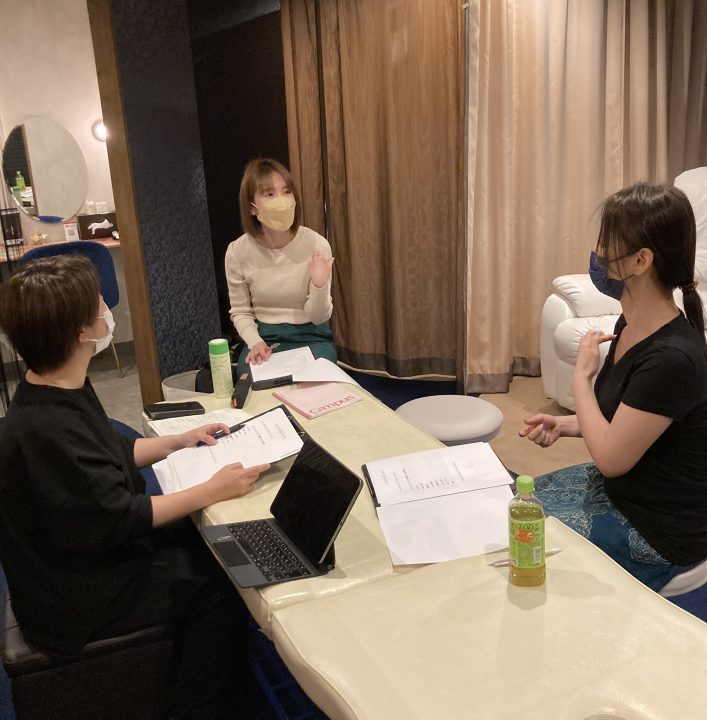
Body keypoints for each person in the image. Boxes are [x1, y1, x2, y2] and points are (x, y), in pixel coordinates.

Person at [0, 255, 269, 719]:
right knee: (221, 583)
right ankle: (201, 705)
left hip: (83, 552)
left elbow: (108, 451)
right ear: (80, 332)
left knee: (202, 539)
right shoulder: (45, 429)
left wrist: (179, 440)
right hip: (75, 597)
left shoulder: (52, 385)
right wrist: (212, 490)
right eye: (99, 303)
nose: (108, 310)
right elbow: (120, 516)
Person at [519, 182, 707, 591]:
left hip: (658, 530)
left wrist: (581, 379)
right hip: (625, 493)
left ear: (641, 260)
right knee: (513, 508)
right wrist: (566, 424)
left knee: (522, 540)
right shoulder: (630, 324)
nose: (598, 252)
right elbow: (619, 423)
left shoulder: (673, 358)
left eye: (607, 242)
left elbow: (610, 458)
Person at [226, 158, 336, 380]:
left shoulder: (316, 245)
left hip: (311, 335)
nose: (282, 200)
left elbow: (318, 317)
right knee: (252, 385)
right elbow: (241, 311)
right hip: (263, 337)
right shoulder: (238, 251)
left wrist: (319, 285)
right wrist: (255, 342)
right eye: (270, 194)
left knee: (313, 384)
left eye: (287, 192)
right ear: (252, 207)